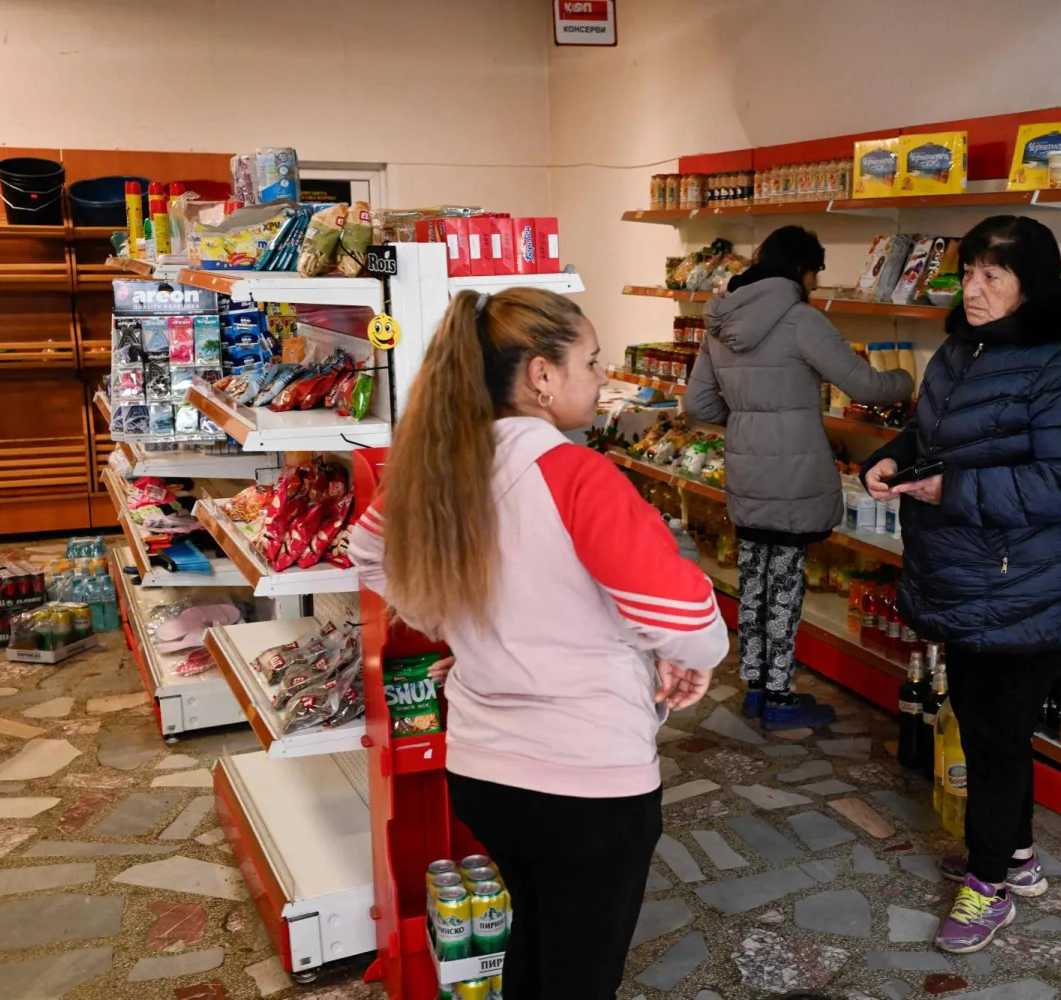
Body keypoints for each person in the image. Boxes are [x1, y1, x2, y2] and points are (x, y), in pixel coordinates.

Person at [349, 288, 728, 999]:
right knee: (582, 973)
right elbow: (684, 618)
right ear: (542, 376)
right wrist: (690, 655)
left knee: (536, 939)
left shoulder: (436, 471)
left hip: (484, 771)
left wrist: (470, 628)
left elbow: (369, 556)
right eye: (590, 361)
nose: (600, 376)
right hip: (587, 781)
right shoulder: (578, 475)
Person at [861, 215, 1061, 954]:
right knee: (980, 723)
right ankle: (1017, 856)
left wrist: (952, 490)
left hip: (1023, 582)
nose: (971, 290)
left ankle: (988, 886)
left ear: (1029, 286)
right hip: (965, 573)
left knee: (997, 737)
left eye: (991, 277)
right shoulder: (962, 348)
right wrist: (894, 456)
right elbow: (935, 436)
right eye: (967, 272)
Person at [686, 225, 912, 729]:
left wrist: (749, 421)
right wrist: (909, 378)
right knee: (785, 582)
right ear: (801, 271)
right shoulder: (800, 320)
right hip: (793, 478)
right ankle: (782, 697)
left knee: (753, 578)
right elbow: (868, 386)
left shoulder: (718, 322)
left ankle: (754, 689)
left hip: (746, 471)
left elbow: (697, 403)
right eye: (815, 272)